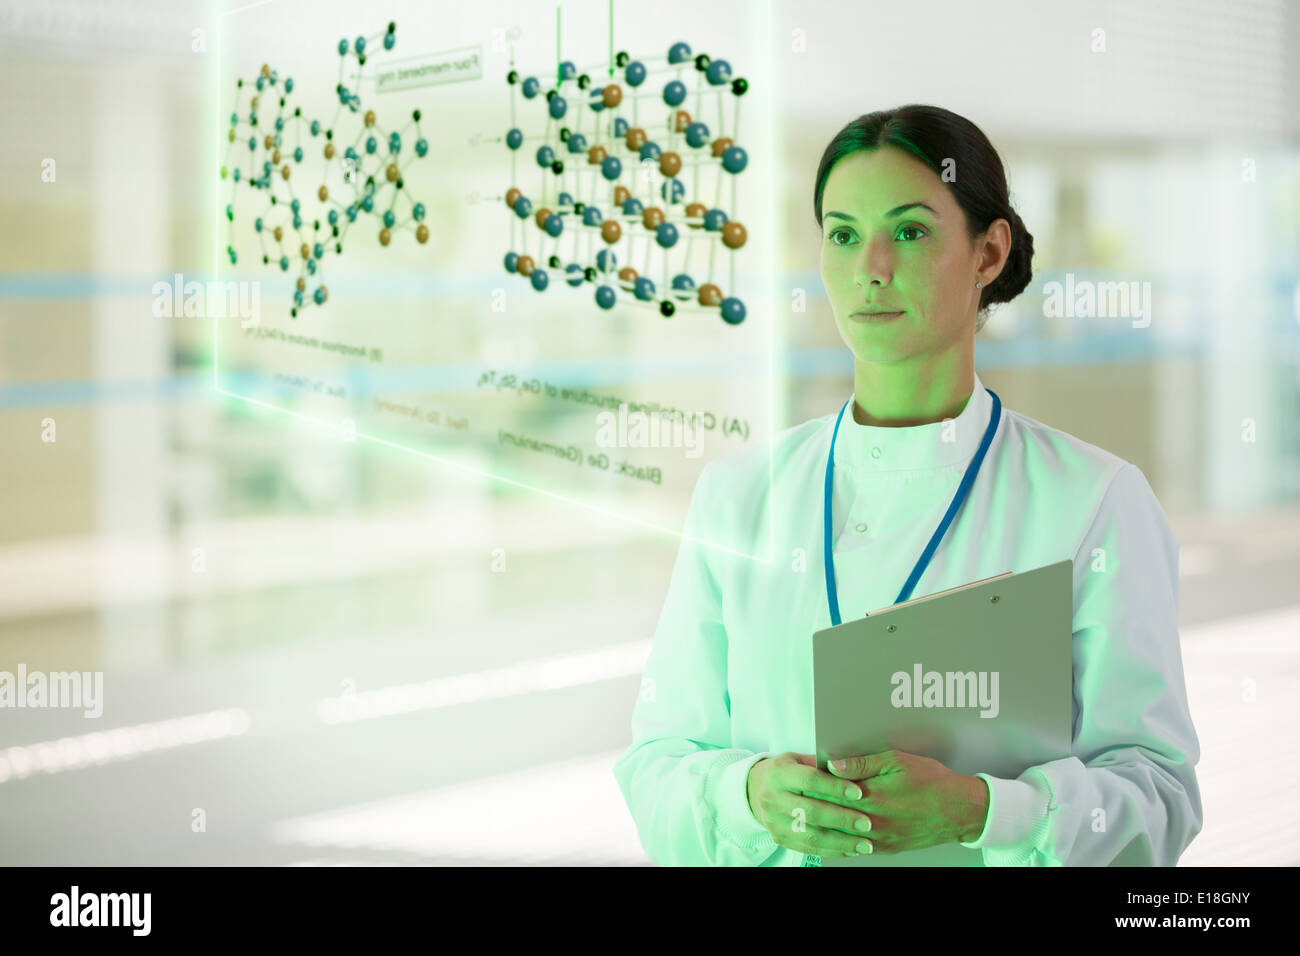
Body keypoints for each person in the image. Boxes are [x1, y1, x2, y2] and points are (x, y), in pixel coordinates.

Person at [612, 104, 1202, 866]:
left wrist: (984, 811)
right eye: (844, 234)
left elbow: (1160, 795)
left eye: (912, 231)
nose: (871, 268)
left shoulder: (1094, 501)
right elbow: (657, 760)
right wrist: (749, 793)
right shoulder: (739, 498)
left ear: (989, 254)